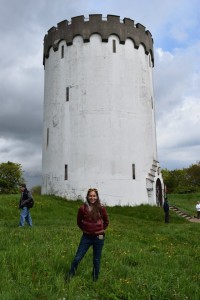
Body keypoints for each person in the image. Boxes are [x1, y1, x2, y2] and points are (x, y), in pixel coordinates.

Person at [67, 188, 109, 281]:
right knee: (78, 257)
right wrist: (85, 230)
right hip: (86, 237)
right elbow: (79, 222)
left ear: (97, 197)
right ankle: (70, 275)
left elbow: (106, 221)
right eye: (90, 195)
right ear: (87, 196)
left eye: (94, 196)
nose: (92, 197)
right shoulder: (82, 208)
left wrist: (100, 230)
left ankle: (95, 279)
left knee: (96, 259)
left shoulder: (101, 208)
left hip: (100, 237)